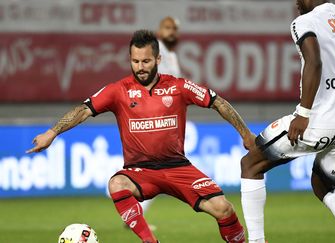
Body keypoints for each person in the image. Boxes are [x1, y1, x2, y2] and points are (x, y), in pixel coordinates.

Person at [27, 30, 255, 243]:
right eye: (135, 62)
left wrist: (245, 134)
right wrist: (52, 132)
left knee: (223, 208)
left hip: (178, 167)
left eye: (146, 61)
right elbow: (83, 110)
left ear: (157, 60)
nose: (140, 67)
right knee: (116, 183)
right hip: (141, 171)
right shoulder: (118, 90)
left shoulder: (178, 86)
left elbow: (218, 103)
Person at [239, 1, 335, 243]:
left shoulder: (304, 22)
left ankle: (256, 241)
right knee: (323, 187)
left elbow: (314, 62)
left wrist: (303, 113)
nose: (296, 2)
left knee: (250, 163)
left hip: (315, 123)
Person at [137, 16, 182, 230]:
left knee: (156, 169)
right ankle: (130, 204)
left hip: (169, 121)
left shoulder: (170, 54)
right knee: (158, 169)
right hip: (155, 119)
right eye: (167, 27)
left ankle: (136, 211)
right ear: (159, 29)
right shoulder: (155, 53)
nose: (171, 31)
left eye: (174, 28)